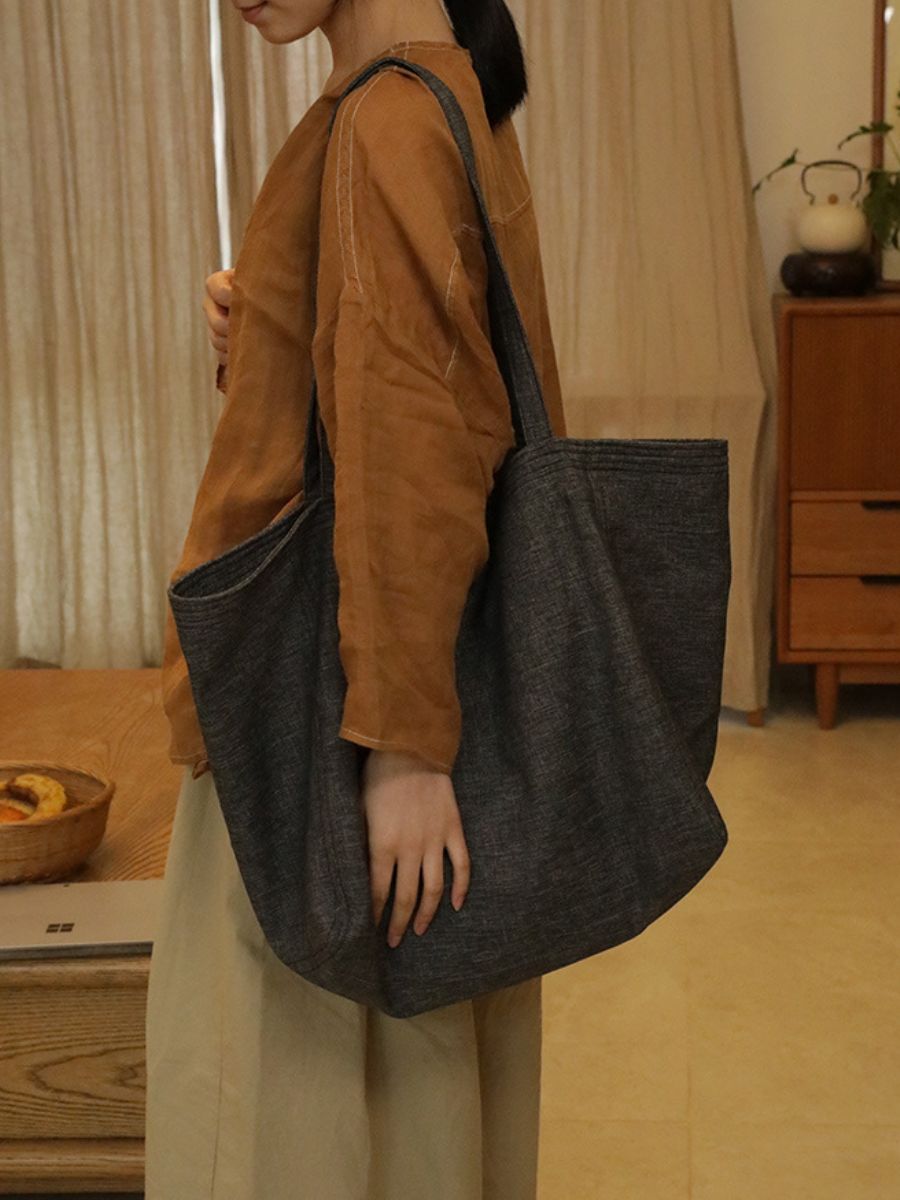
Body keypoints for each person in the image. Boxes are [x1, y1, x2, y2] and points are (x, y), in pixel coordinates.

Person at [145, 0, 567, 1196]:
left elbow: (419, 443)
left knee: (291, 1113)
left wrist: (404, 746)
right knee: (426, 1108)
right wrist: (273, 336)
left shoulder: (385, 121)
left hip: (325, 711)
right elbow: (411, 397)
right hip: (391, 673)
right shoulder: (442, 94)